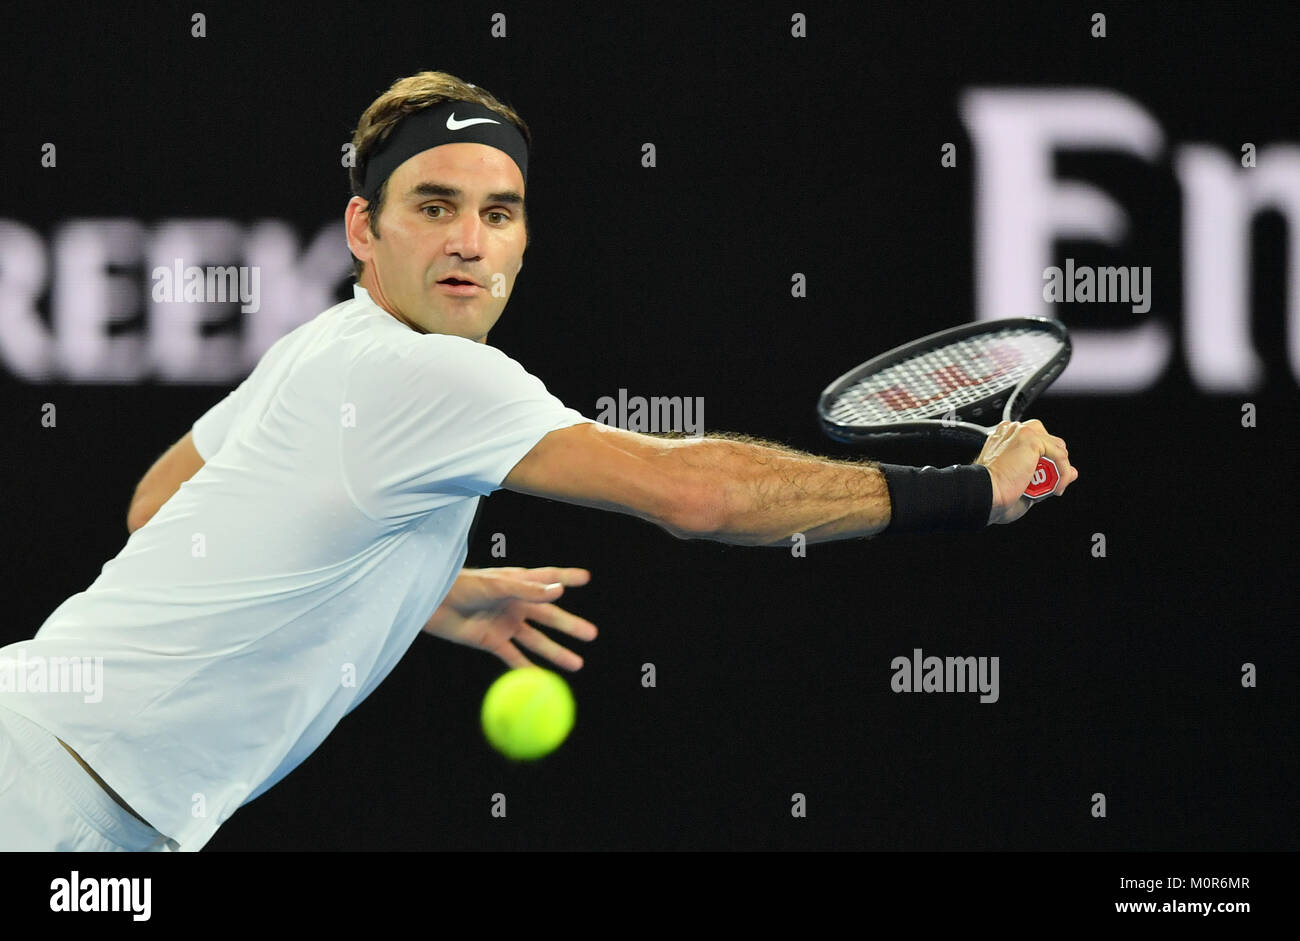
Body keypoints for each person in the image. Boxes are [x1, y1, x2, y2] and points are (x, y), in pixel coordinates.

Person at [0, 70, 1077, 852]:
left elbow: (157, 505)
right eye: (434, 208)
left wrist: (427, 589)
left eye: (497, 212)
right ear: (363, 230)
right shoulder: (437, 378)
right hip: (46, 796)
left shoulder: (325, 344)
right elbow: (697, 495)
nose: (469, 239)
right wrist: (973, 492)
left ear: (523, 240)